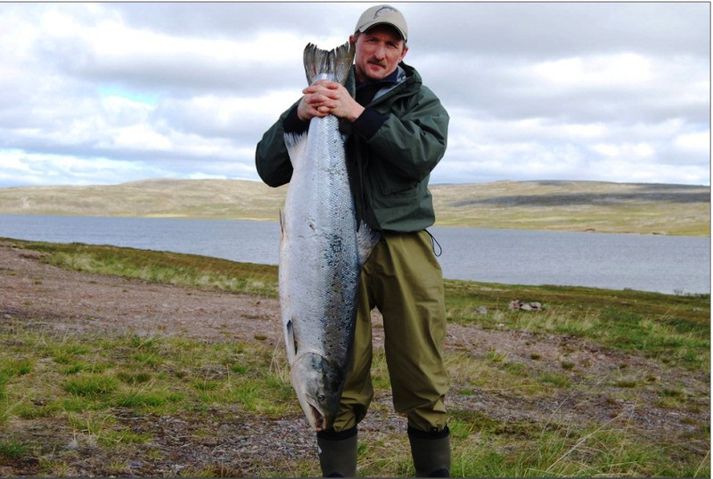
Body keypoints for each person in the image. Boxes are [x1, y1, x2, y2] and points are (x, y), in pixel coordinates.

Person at [255, 5, 450, 477]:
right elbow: (268, 168)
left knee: (423, 374)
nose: (379, 52)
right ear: (354, 42)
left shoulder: (422, 103)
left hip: (403, 245)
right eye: (371, 41)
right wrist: (299, 114)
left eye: (390, 43)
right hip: (328, 246)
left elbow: (419, 155)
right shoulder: (319, 98)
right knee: (338, 371)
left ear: (404, 51)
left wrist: (356, 113)